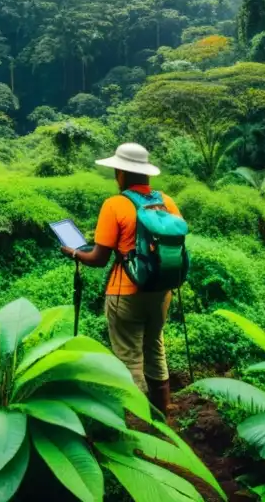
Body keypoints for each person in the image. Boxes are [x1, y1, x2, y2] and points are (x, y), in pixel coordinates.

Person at [60, 142, 180, 415]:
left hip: (125, 291)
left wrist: (75, 254)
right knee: (155, 348)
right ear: (147, 174)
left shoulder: (115, 204)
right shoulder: (166, 202)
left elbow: (99, 259)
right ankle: (163, 417)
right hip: (162, 291)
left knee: (129, 360)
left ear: (122, 173)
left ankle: (138, 430)